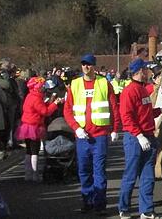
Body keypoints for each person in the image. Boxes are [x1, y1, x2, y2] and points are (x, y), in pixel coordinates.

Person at [64, 53, 120, 214]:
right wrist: (76, 128)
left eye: (88, 64)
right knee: (83, 170)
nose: (86, 67)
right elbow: (67, 110)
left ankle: (100, 205)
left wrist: (115, 128)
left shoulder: (104, 83)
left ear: (94, 66)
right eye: (83, 64)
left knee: (99, 171)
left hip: (100, 135)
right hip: (82, 136)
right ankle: (87, 201)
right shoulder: (74, 85)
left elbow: (114, 107)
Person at [118, 59, 161, 219]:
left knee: (148, 176)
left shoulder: (143, 90)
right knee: (131, 175)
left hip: (147, 136)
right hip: (135, 138)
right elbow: (127, 117)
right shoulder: (129, 91)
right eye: (146, 70)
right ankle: (124, 209)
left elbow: (145, 113)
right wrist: (139, 135)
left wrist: (159, 111)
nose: (148, 73)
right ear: (140, 71)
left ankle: (147, 210)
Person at [16, 76, 61, 182]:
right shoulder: (36, 98)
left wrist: (49, 103)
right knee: (35, 151)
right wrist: (55, 104)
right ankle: (35, 174)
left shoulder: (30, 96)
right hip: (34, 126)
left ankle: (28, 174)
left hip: (26, 125)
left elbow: (40, 108)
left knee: (28, 151)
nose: (43, 89)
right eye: (42, 87)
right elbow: (45, 112)